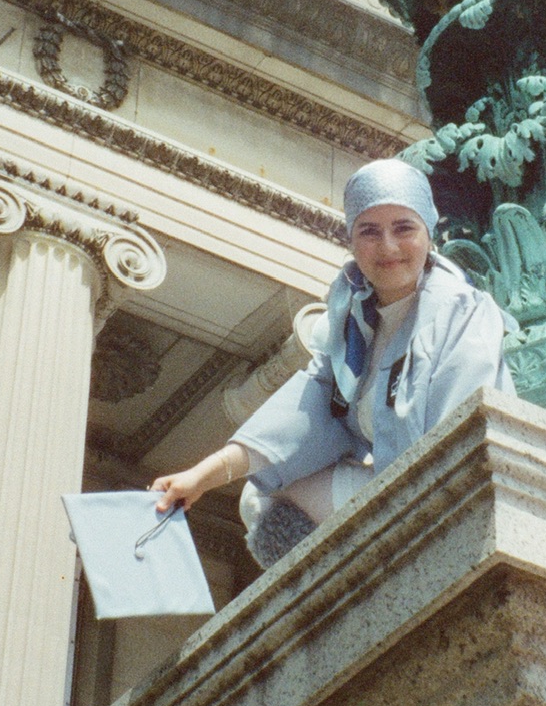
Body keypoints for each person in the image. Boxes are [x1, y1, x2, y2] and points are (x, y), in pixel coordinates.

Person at [150, 159, 515, 565]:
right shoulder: (350, 325)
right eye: (370, 232)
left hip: (448, 499)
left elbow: (459, 437)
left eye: (404, 228)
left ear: (429, 231)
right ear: (351, 241)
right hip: (390, 493)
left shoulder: (463, 313)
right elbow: (301, 417)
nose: (389, 247)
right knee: (258, 495)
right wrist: (202, 476)